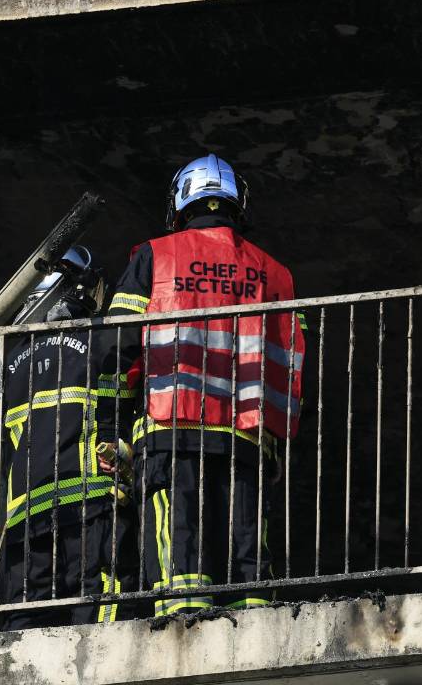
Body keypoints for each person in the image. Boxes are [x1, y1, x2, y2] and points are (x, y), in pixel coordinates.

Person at [99, 154, 305, 618]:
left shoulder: (156, 255)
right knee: (245, 542)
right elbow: (292, 352)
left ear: (180, 201)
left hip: (172, 423)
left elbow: (117, 343)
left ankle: (183, 619)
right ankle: (253, 619)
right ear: (238, 201)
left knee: (180, 536)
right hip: (248, 432)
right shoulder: (275, 272)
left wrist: (109, 422)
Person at [0, 246, 134, 629]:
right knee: (99, 609)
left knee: (23, 622)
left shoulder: (8, 360)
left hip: (24, 515)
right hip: (90, 503)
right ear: (76, 289)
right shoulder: (102, 342)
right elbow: (124, 414)